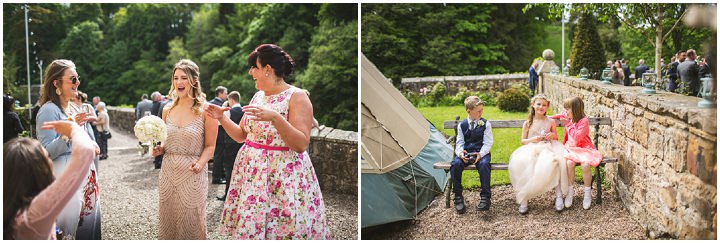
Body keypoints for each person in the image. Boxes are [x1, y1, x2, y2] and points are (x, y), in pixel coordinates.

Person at [205, 44, 331, 239]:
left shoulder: (296, 97)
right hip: (252, 176)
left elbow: (301, 144)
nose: (250, 72)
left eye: (254, 67)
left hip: (282, 176)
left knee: (283, 228)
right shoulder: (258, 96)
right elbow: (241, 135)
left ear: (267, 69)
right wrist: (221, 118)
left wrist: (276, 118)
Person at [35, 59, 101, 239]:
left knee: (88, 231)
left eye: (77, 78)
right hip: (66, 182)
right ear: (56, 83)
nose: (78, 82)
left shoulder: (73, 107)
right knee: (70, 232)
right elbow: (46, 152)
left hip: (86, 180)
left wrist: (92, 144)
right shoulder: (48, 111)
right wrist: (70, 131)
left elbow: (85, 138)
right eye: (73, 79)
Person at [151, 59, 217, 239]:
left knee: (192, 223)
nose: (179, 82)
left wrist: (201, 163)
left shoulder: (206, 111)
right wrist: (160, 149)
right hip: (168, 172)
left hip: (193, 173)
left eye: (184, 78)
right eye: (176, 78)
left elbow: (211, 146)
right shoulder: (167, 109)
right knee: (169, 221)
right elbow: (165, 141)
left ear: (194, 81)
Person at [4, 120, 95, 239]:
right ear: (38, 170)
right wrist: (74, 128)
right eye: (47, 157)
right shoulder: (35, 213)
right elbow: (85, 153)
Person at [508, 94, 567, 214]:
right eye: (538, 104)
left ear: (547, 107)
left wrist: (552, 135)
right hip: (532, 148)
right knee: (523, 163)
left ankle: (559, 195)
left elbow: (555, 136)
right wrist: (532, 140)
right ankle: (524, 197)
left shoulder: (550, 121)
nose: (541, 107)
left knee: (556, 162)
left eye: (544, 105)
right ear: (533, 105)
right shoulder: (528, 122)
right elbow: (523, 140)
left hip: (548, 147)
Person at [447, 96, 494, 214]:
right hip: (467, 153)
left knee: (484, 165)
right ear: (469, 111)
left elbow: (488, 143)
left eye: (482, 110)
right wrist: (460, 153)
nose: (481, 112)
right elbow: (459, 143)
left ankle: (485, 198)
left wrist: (481, 153)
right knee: (456, 164)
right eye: (478, 111)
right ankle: (457, 196)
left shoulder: (485, 124)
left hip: (481, 152)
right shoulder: (462, 125)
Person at [554, 97, 603, 210]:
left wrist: (568, 124)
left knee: (585, 165)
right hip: (571, 148)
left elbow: (577, 137)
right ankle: (570, 191)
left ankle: (587, 193)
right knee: (569, 164)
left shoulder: (583, 121)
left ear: (575, 109)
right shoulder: (569, 117)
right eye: (565, 109)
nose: (565, 112)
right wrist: (548, 117)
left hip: (584, 148)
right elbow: (558, 115)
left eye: (567, 109)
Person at [216, 91, 244, 201]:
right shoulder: (245, 111)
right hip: (242, 144)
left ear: (231, 100)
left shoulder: (229, 111)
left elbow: (220, 125)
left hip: (230, 144)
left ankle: (228, 194)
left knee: (229, 169)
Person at [210, 86, 229, 184]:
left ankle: (219, 175)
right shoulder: (222, 105)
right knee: (219, 156)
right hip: (220, 134)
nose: (227, 95)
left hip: (211, 133)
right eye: (226, 93)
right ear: (220, 94)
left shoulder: (209, 103)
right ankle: (217, 178)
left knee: (215, 155)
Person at [150, 91, 165, 169]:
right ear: (157, 98)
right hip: (158, 126)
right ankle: (158, 163)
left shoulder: (153, 104)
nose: (161, 97)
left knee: (155, 144)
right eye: (160, 96)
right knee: (159, 144)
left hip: (154, 126)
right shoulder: (159, 104)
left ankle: (156, 162)